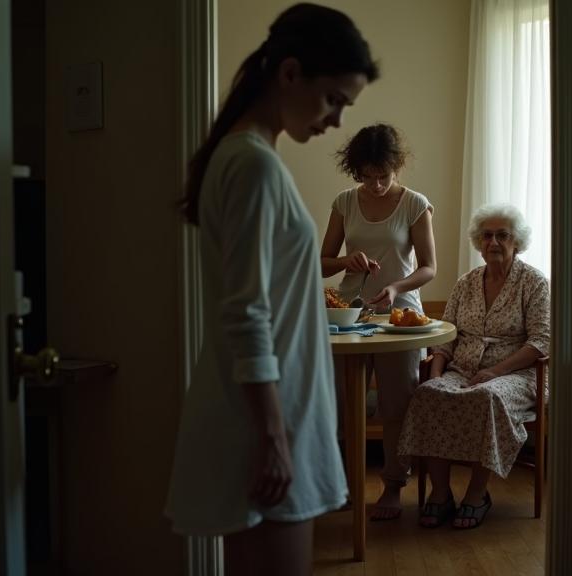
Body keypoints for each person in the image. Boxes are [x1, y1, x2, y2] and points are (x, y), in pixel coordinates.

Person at [165, 4, 378, 575]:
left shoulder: (246, 158)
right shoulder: (253, 166)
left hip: (271, 413)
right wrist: (274, 436)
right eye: (333, 99)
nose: (337, 121)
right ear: (289, 73)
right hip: (268, 419)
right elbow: (246, 313)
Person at [397, 203, 550, 529]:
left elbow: (541, 341)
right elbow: (446, 334)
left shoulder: (534, 283)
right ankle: (440, 494)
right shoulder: (466, 283)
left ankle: (477, 495)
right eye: (487, 236)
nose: (493, 242)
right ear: (479, 242)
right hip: (463, 369)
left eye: (502, 236)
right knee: (428, 394)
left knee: (487, 396)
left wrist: (495, 372)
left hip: (517, 374)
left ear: (517, 241)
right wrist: (436, 374)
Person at [320, 123, 437, 520]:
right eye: (367, 176)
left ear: (396, 165)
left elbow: (429, 267)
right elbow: (322, 264)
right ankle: (343, 486)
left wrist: (395, 286)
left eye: (383, 175)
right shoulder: (344, 202)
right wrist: (345, 261)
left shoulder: (415, 204)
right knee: (341, 406)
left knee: (396, 405)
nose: (376, 185)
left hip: (400, 315)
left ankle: (393, 486)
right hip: (349, 315)